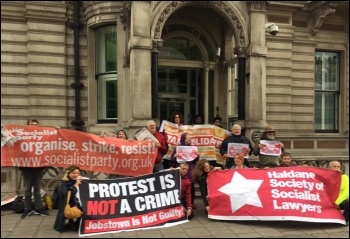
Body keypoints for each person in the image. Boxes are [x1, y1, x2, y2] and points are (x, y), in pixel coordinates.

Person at [20, 119, 49, 219]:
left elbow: (51, 137)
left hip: (38, 167)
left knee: (37, 188)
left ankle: (38, 208)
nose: (33, 126)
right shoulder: (22, 135)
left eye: (36, 125)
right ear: (27, 125)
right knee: (27, 189)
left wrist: (56, 130)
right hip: (26, 167)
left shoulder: (42, 136)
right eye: (31, 124)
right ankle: (27, 209)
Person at [170, 132, 199, 209]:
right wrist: (175, 156)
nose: (190, 139)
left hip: (190, 169)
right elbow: (172, 159)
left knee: (191, 186)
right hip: (180, 168)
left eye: (190, 137)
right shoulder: (178, 148)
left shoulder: (193, 148)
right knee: (179, 186)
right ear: (184, 139)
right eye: (188, 137)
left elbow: (195, 161)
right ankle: (178, 202)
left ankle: (191, 203)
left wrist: (197, 155)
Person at [53, 166, 83, 233]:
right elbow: (66, 195)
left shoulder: (80, 181)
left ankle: (77, 224)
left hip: (75, 201)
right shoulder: (63, 183)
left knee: (86, 206)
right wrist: (75, 185)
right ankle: (70, 223)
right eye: (73, 173)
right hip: (65, 203)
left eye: (77, 173)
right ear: (68, 174)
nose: (76, 175)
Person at [328, 161, 349, 225]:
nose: (336, 168)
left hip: (339, 201)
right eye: (334, 166)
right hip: (328, 201)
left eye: (338, 166)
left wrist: (337, 202)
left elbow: (347, 192)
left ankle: (344, 220)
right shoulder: (327, 177)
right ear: (329, 168)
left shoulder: (344, 177)